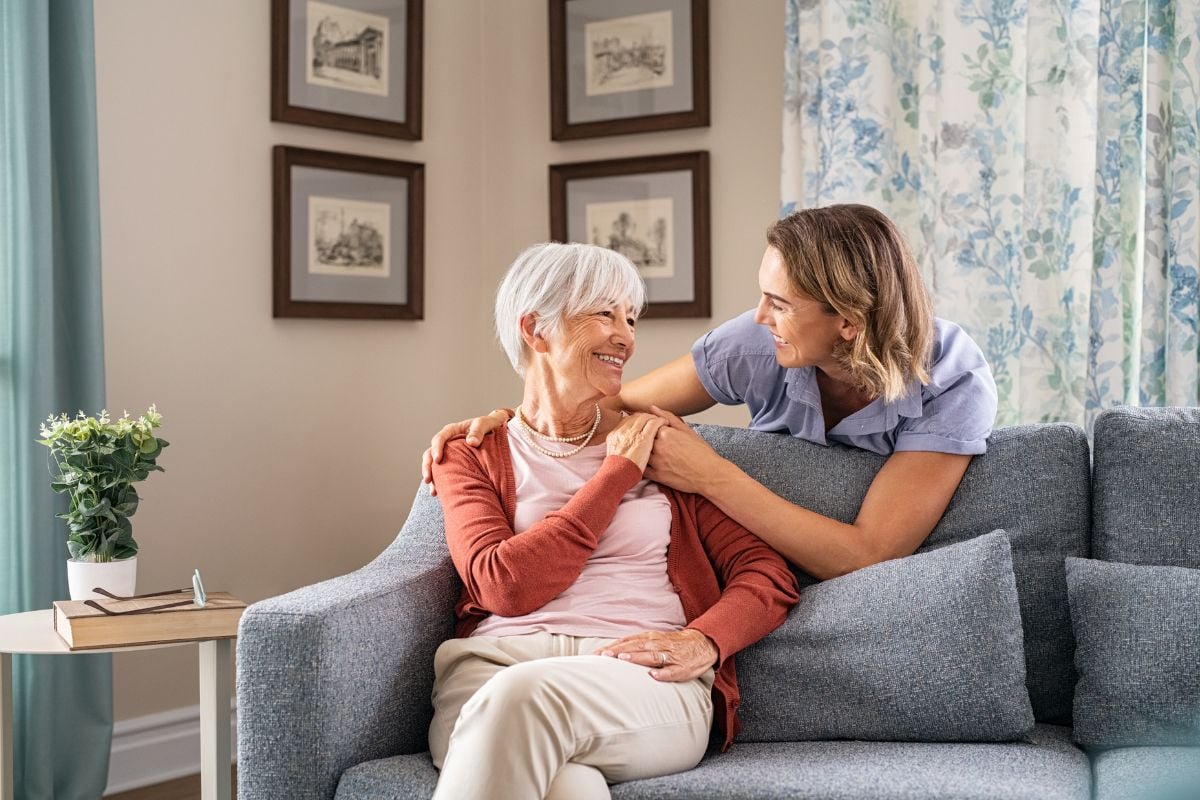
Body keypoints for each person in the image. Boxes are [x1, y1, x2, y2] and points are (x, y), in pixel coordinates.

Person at [424, 204, 998, 581]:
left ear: (848, 321)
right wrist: (511, 421)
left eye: (781, 303)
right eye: (762, 294)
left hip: (860, 585)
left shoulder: (951, 378)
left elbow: (870, 555)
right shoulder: (754, 344)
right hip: (755, 566)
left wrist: (709, 473)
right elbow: (609, 405)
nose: (758, 315)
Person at [427, 242, 799, 799]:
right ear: (536, 329)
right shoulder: (473, 451)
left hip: (637, 676)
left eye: (631, 318)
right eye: (604, 313)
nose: (626, 336)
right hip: (493, 668)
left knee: (522, 700)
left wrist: (704, 640)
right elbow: (504, 586)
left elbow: (765, 573)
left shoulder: (663, 444)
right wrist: (615, 476)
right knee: (569, 787)